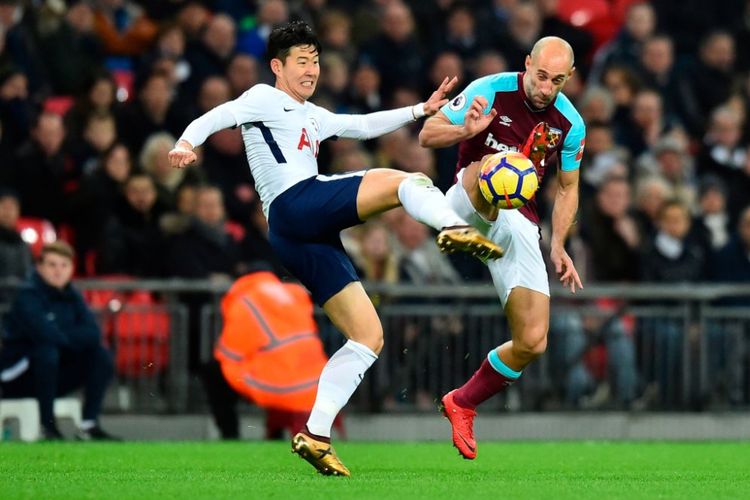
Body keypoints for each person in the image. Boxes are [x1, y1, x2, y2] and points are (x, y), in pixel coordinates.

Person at [168, 21, 502, 476]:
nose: (311, 69)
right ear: (277, 67)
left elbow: (361, 125)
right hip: (295, 203)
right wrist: (187, 142)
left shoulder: (311, 114)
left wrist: (421, 109)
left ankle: (315, 433)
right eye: (301, 61)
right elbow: (218, 115)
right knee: (403, 180)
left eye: (316, 60)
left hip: (296, 234)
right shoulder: (264, 98)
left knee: (368, 336)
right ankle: (453, 225)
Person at [419, 36, 585, 459]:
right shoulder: (488, 89)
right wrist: (465, 130)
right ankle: (457, 231)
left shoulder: (571, 124)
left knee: (533, 340)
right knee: (499, 165)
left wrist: (560, 244)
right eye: (541, 76)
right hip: (467, 197)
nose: (546, 88)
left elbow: (568, 189)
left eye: (557, 81)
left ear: (569, 79)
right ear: (527, 63)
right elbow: (426, 133)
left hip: (518, 220)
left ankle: (462, 401)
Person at [202, 268, 344, 440]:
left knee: (213, 372)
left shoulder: (245, 301)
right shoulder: (293, 293)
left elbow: (229, 353)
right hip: (316, 379)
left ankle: (230, 434)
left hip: (281, 381)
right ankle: (274, 433)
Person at [0, 242, 117, 440]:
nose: (58, 271)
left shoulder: (74, 297)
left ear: (72, 269)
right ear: (39, 267)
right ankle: (47, 426)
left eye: (64, 265)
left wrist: (59, 334)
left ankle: (89, 425)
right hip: (18, 377)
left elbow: (93, 334)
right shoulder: (28, 296)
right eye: (52, 265)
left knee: (100, 355)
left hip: (54, 374)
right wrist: (69, 336)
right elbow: (44, 336)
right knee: (47, 352)